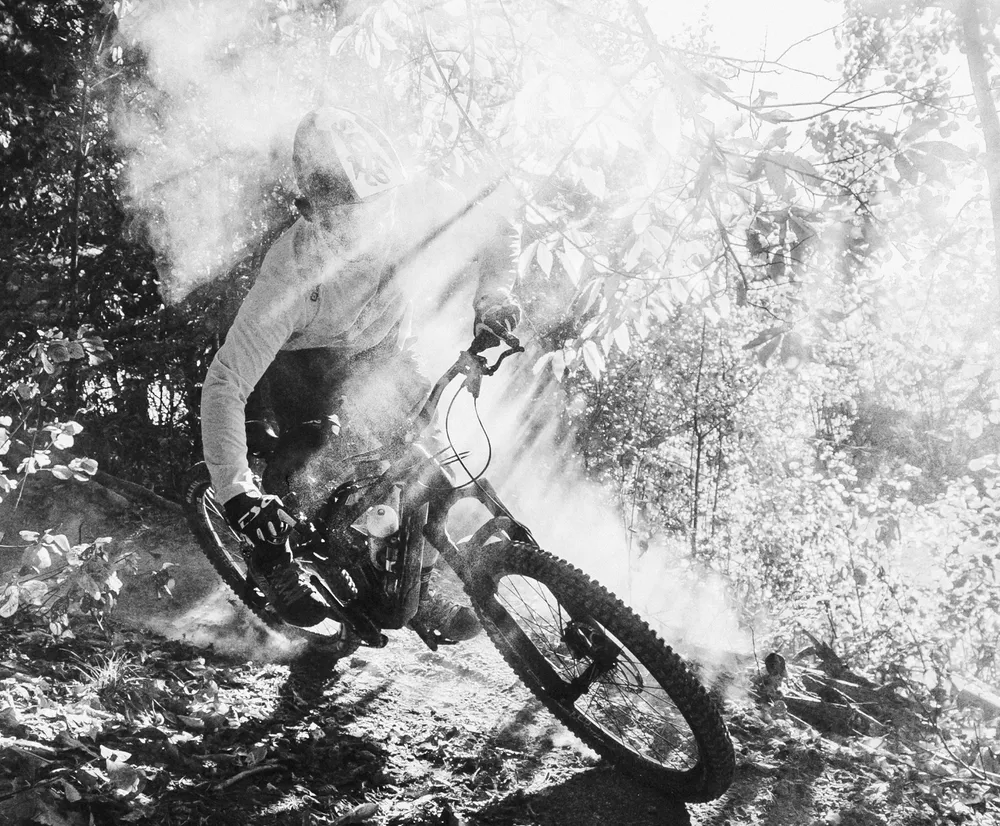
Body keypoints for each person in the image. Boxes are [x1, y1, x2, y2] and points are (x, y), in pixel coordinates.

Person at [200, 106, 521, 636]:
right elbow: (226, 384)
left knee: (419, 463)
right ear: (315, 212)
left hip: (384, 350)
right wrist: (237, 496)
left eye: (379, 209)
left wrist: (494, 296)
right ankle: (273, 562)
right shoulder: (291, 274)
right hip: (301, 363)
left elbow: (498, 227)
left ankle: (410, 590)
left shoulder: (414, 201)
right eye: (349, 218)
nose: (371, 229)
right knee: (308, 459)